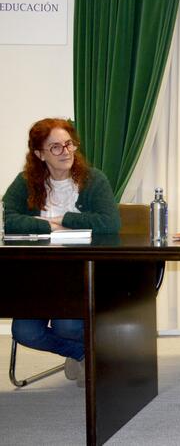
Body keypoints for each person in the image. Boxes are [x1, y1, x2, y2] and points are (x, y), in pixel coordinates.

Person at [2, 118, 120, 387]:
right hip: (39, 275)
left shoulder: (93, 179)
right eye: (55, 147)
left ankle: (98, 354)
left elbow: (109, 223)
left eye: (69, 144)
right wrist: (45, 224)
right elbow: (6, 217)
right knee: (24, 331)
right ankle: (81, 353)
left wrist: (64, 219)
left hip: (82, 273)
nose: (66, 151)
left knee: (68, 325)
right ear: (39, 154)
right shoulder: (26, 183)